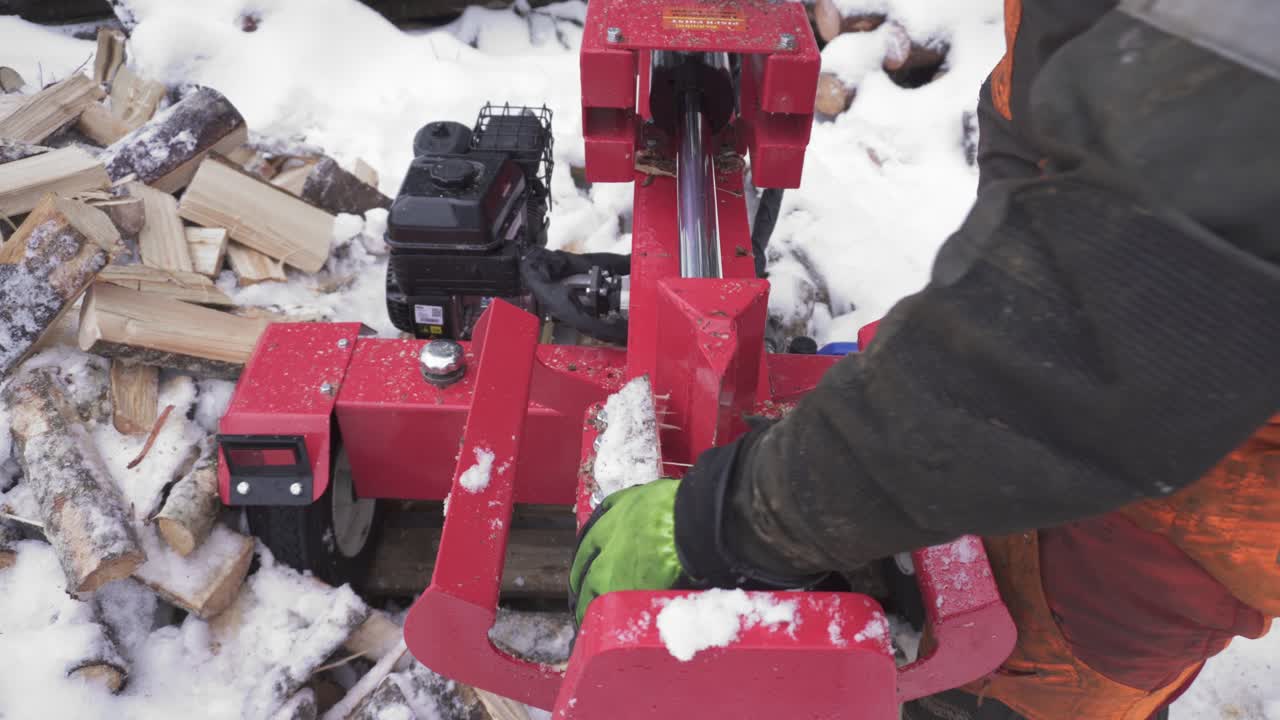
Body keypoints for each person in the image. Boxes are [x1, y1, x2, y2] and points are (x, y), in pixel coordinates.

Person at [569, 1, 1280, 718]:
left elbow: (1098, 342)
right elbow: (1055, 139)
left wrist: (724, 522)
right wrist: (965, 320)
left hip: (1149, 535)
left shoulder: (1244, 59)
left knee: (1007, 680)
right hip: (1094, 399)